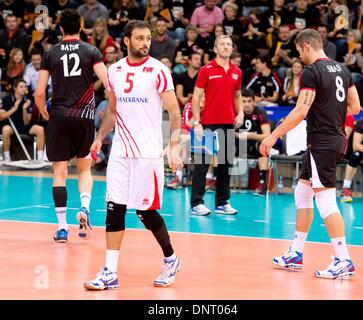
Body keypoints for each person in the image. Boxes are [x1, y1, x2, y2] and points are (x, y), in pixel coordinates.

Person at [84, 20, 182, 290]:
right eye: (139, 38)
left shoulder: (159, 70)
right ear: (126, 41)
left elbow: (174, 111)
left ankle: (171, 258)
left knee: (145, 212)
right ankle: (110, 272)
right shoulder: (114, 71)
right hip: (120, 152)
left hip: (148, 153)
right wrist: (99, 137)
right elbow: (112, 112)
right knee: (114, 207)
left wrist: (173, 145)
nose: (145, 43)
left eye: (148, 38)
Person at [259, 29, 361, 279]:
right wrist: (330, 110)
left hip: (323, 141)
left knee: (325, 200)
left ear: (306, 46)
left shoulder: (312, 71)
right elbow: (355, 107)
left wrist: (273, 135)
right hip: (333, 139)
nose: (299, 56)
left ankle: (343, 259)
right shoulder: (343, 69)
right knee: (302, 192)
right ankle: (295, 252)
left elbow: (301, 109)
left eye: (298, 51)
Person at [34, 9, 109, 243]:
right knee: (85, 169)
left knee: (59, 171)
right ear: (81, 26)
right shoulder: (92, 51)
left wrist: (45, 111)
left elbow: (39, 92)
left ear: (60, 28)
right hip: (85, 116)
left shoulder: (50, 54)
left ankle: (63, 227)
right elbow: (108, 81)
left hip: (59, 115)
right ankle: (85, 209)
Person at [190, 34, 243, 216]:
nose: (226, 46)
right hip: (207, 124)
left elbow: (237, 95)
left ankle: (222, 203)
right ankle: (196, 203)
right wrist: (197, 122)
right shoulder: (206, 70)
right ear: (215, 49)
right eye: (222, 44)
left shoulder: (237, 72)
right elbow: (196, 97)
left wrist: (241, 112)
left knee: (225, 164)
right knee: (202, 164)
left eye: (229, 44)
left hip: (228, 123)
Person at [0, 78, 45, 162]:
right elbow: (1, 117)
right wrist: (14, 108)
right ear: (15, 88)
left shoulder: (28, 101)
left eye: (25, 87)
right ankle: (7, 157)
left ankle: (40, 157)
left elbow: (26, 121)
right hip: (11, 125)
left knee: (40, 129)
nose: (24, 89)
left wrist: (24, 109)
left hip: (24, 126)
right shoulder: (7, 99)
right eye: (21, 86)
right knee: (5, 129)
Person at [235, 88, 271, 195]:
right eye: (243, 101)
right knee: (222, 143)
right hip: (238, 144)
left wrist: (249, 135)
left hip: (253, 144)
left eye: (249, 101)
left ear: (254, 102)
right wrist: (236, 135)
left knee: (263, 147)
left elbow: (267, 135)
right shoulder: (236, 112)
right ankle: (215, 180)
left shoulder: (260, 113)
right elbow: (227, 131)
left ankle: (262, 183)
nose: (246, 104)